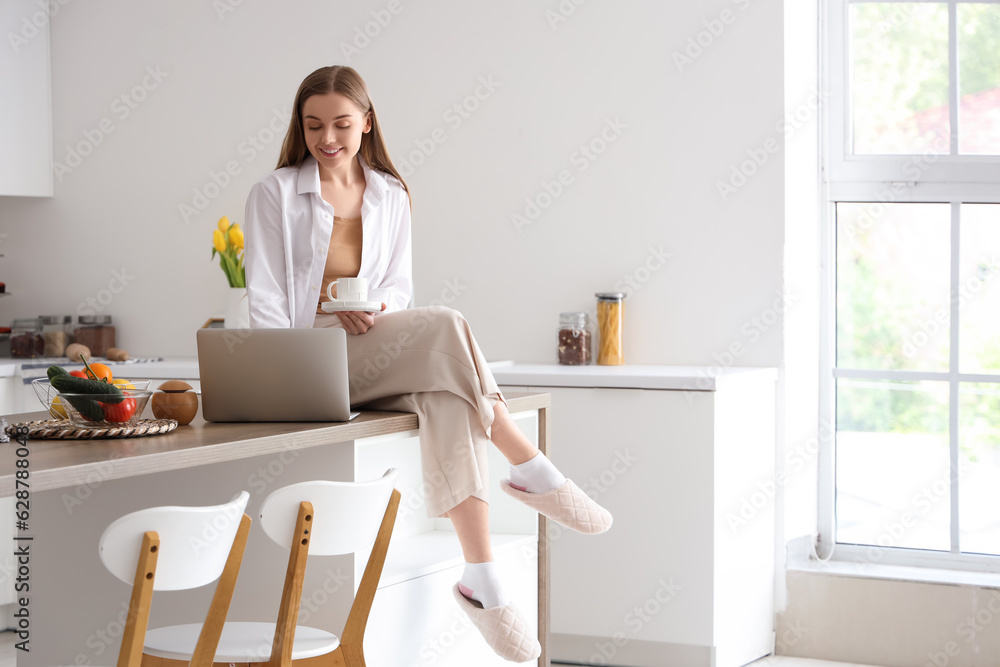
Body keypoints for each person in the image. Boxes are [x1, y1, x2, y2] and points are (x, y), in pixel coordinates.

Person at [244, 65, 612, 662]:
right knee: (449, 323)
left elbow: (399, 288)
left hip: (370, 349)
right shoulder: (275, 194)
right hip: (306, 359)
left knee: (445, 395)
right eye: (314, 126)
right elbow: (264, 299)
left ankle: (482, 577)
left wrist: (370, 309)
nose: (327, 138)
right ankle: (528, 464)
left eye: (341, 123)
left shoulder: (390, 193)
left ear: (367, 122)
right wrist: (323, 318)